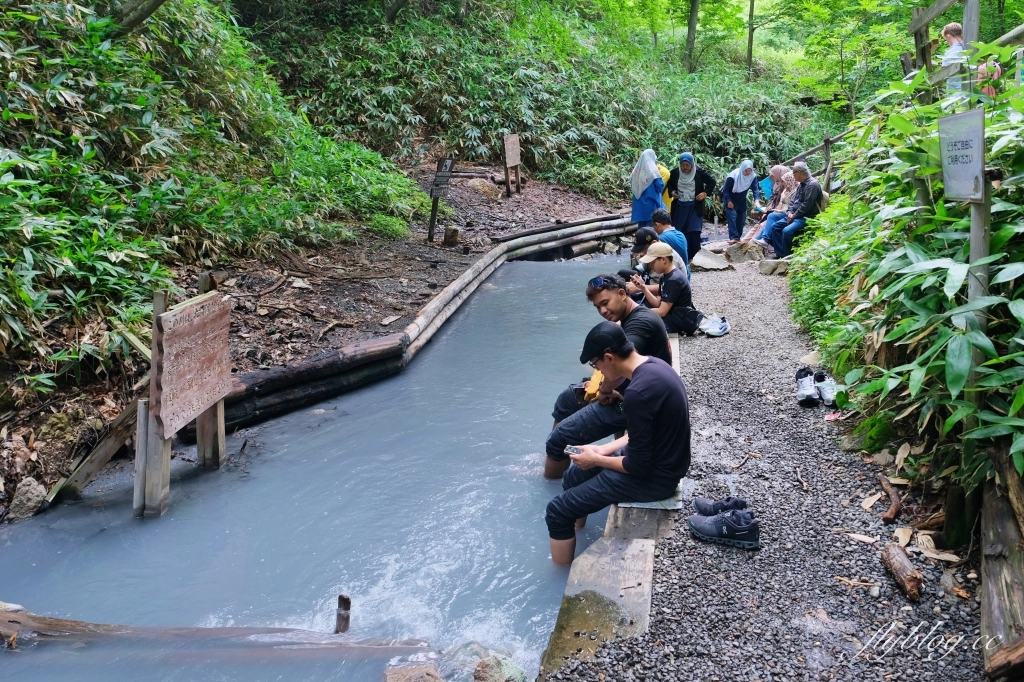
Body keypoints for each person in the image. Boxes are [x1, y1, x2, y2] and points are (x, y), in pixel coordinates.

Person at [545, 321, 690, 564]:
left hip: (655, 479)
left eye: (596, 364)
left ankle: (560, 574)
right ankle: (575, 530)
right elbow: (638, 430)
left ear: (609, 358)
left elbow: (637, 466)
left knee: (556, 511)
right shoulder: (653, 367)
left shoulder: (638, 393)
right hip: (663, 461)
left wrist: (596, 459)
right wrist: (602, 448)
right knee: (571, 478)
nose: (597, 371)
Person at [544, 275, 673, 479]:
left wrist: (603, 390)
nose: (603, 311)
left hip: (633, 404)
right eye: (598, 307)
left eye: (605, 303)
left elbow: (619, 365)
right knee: (568, 398)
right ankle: (556, 459)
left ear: (622, 294)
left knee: (560, 438)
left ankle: (551, 477)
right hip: (626, 391)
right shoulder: (632, 317)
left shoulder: (640, 324)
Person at [629, 242, 702, 335]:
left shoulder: (674, 279)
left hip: (674, 322)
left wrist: (636, 311)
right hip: (668, 317)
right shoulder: (665, 276)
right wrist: (643, 288)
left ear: (663, 259)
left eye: (653, 262)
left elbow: (662, 312)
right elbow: (657, 304)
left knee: (637, 325)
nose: (651, 266)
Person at [759, 161, 822, 258]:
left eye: (794, 173)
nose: (793, 175)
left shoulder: (812, 185)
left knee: (786, 231)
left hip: (806, 217)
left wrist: (794, 215)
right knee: (775, 227)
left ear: (799, 173)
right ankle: (781, 254)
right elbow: (792, 201)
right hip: (794, 215)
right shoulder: (801, 184)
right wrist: (789, 213)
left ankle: (788, 256)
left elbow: (807, 205)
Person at [666, 153, 716, 261]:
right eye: (683, 165)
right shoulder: (675, 173)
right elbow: (669, 184)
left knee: (694, 231)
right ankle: (679, 257)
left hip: (694, 206)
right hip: (680, 206)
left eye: (687, 165)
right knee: (679, 231)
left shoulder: (699, 172)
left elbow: (712, 181)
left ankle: (694, 257)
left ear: (692, 164)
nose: (685, 167)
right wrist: (672, 192)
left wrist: (705, 193)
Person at [746, 167, 795, 244]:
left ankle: (751, 245)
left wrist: (772, 211)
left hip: (782, 213)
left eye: (773, 175)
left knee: (762, 226)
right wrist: (767, 210)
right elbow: (773, 201)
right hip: (775, 211)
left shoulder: (790, 189)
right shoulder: (778, 186)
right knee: (757, 225)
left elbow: (787, 206)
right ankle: (742, 243)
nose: (771, 177)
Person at [721, 159, 760, 243]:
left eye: (750, 170)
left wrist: (756, 200)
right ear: (742, 169)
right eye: (746, 170)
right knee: (732, 217)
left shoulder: (752, 176)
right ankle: (733, 238)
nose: (748, 172)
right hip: (731, 197)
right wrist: (728, 201)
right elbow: (725, 189)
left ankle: (737, 238)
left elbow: (755, 189)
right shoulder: (733, 176)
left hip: (742, 199)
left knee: (742, 219)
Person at [650, 209, 691, 279]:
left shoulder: (661, 239)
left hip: (676, 277)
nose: (653, 228)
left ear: (657, 225)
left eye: (653, 225)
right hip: (686, 274)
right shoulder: (681, 234)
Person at [630, 149, 666, 227]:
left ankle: (640, 238)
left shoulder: (636, 171)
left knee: (642, 226)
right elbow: (660, 186)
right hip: (651, 202)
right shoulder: (653, 172)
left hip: (639, 204)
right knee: (651, 225)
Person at [940, 22, 967, 93]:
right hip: (970, 89)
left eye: (946, 39)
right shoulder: (969, 47)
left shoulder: (949, 53)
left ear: (948, 35)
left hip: (954, 92)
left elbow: (944, 74)